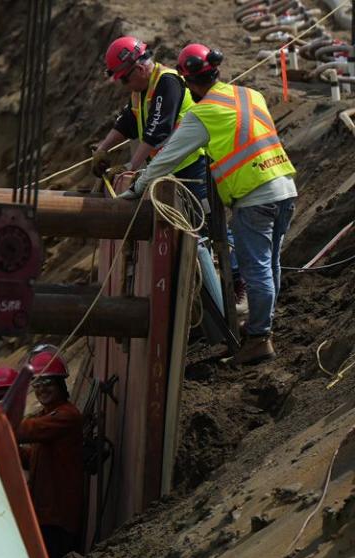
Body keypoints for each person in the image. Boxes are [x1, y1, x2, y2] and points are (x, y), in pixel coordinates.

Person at [120, 44, 296, 365]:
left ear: (187, 82)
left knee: (257, 270)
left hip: (254, 195)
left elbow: (167, 156)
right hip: (284, 185)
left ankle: (258, 338)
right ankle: (261, 327)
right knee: (270, 265)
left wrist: (138, 185)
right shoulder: (250, 94)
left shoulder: (203, 113)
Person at [92, 36, 209, 200]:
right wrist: (102, 149)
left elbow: (157, 130)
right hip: (167, 170)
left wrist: (130, 166)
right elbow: (126, 122)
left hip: (192, 167)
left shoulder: (168, 82)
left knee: (202, 220)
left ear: (140, 69)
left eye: (124, 79)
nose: (124, 85)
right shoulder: (139, 92)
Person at [17, 346, 84, 558]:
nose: (42, 389)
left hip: (58, 518)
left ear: (60, 384)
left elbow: (28, 430)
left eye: (48, 383)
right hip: (44, 515)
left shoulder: (66, 416)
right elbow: (33, 458)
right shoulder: (47, 416)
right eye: (37, 384)